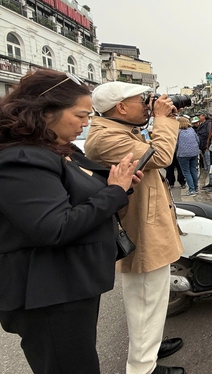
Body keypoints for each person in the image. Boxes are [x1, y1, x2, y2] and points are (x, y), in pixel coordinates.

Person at [0, 70, 140, 374]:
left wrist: (118, 180)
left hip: (68, 287)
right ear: (45, 112)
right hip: (48, 296)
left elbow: (84, 185)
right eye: (80, 114)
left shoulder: (57, 148)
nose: (86, 122)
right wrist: (115, 191)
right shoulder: (21, 158)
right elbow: (55, 226)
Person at [85, 82, 185, 374]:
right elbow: (162, 156)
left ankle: (147, 348)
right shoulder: (106, 138)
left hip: (148, 223)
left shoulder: (120, 130)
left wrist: (158, 118)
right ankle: (142, 367)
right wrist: (163, 119)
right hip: (140, 229)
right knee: (144, 299)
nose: (146, 104)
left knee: (151, 300)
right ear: (120, 107)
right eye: (140, 100)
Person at [176, 116, 200, 196]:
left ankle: (191, 190)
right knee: (193, 170)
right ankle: (196, 188)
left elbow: (176, 144)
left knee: (186, 172)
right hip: (194, 152)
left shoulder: (178, 131)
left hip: (183, 154)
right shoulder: (192, 130)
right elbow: (197, 140)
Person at [195, 111, 212, 188]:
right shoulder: (202, 124)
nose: (198, 117)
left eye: (200, 115)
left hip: (207, 148)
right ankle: (211, 182)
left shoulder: (208, 124)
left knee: (209, 166)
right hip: (203, 148)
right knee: (206, 167)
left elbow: (210, 135)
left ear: (204, 116)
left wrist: (208, 146)